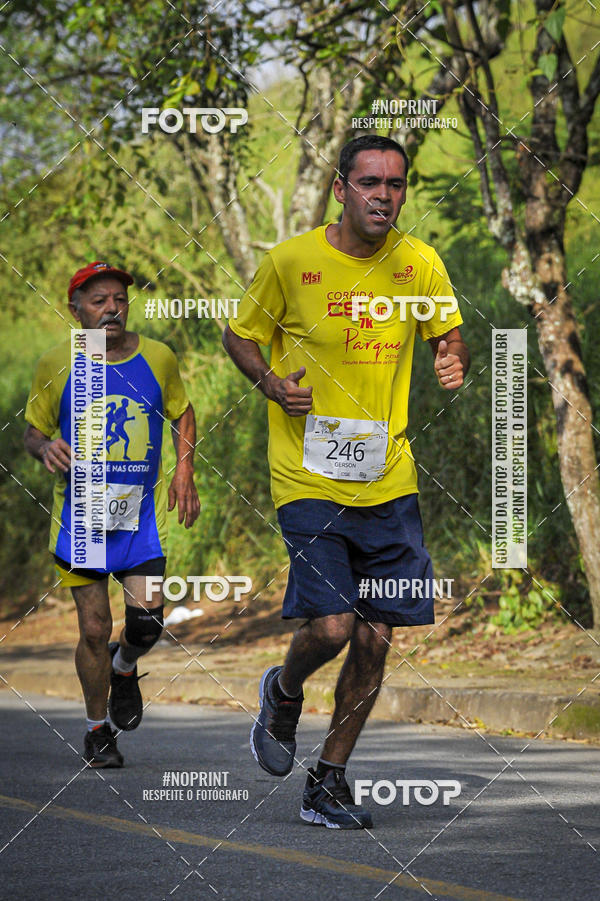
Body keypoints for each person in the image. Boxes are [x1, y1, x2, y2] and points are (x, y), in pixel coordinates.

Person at [222, 135, 469, 829]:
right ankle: (284, 688)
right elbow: (239, 335)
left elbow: (448, 335)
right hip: (307, 475)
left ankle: (327, 779)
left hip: (388, 479)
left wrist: (453, 357)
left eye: (396, 184)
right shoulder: (290, 262)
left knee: (376, 635)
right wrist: (270, 382)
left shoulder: (419, 263)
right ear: (341, 188)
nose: (383, 195)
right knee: (332, 624)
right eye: (369, 182)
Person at [24, 261, 200, 768]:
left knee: (146, 624)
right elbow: (33, 432)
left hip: (139, 518)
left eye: (120, 299)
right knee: (94, 629)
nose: (112, 309)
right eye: (99, 301)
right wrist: (46, 448)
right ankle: (97, 731)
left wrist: (184, 470)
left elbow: (182, 412)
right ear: (75, 309)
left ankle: (124, 669)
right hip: (80, 521)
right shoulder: (57, 363)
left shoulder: (158, 357)